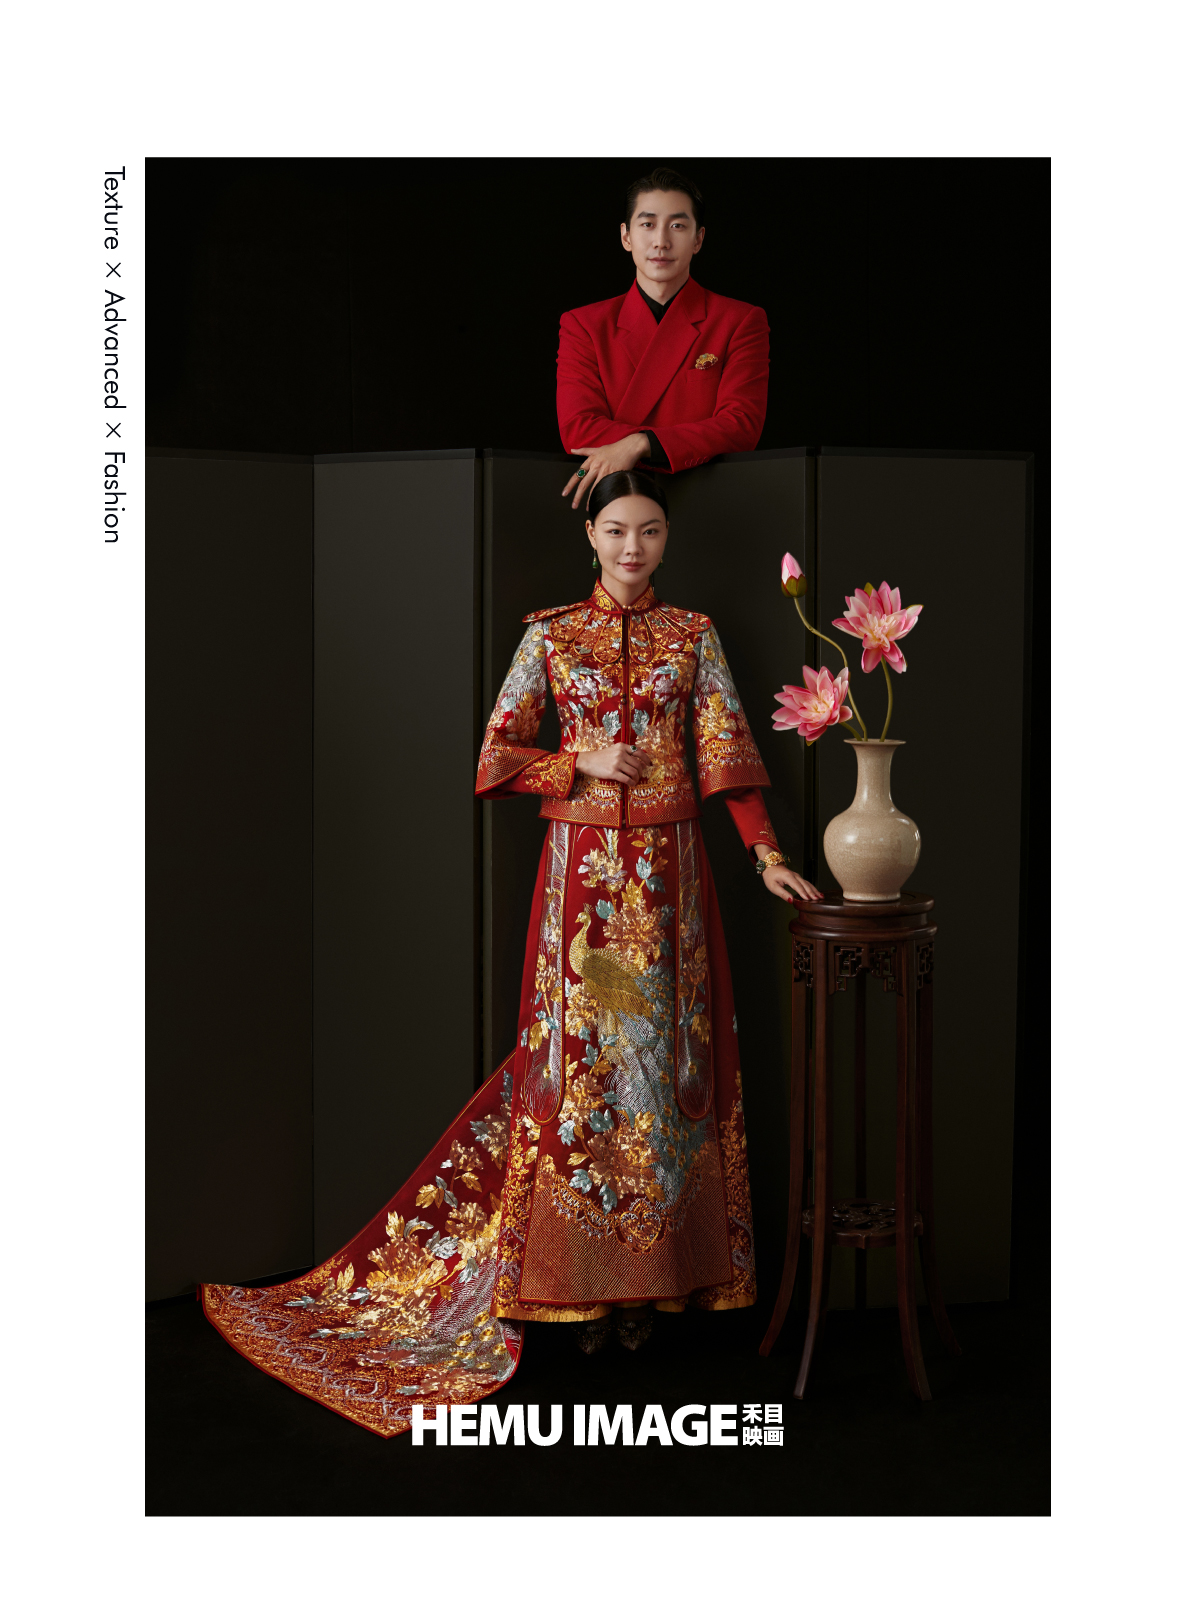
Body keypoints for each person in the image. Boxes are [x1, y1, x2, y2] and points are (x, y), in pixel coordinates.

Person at [202, 471, 819, 1435]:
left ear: (666, 538)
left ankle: (656, 1287)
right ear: (590, 535)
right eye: (616, 530)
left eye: (650, 531)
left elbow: (727, 759)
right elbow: (493, 758)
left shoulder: (692, 636)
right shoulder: (550, 637)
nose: (633, 548)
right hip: (579, 888)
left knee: (666, 1078)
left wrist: (768, 857)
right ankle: (579, 1290)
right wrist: (580, 762)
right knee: (580, 1076)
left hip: (673, 887)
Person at [558, 167, 770, 511]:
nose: (661, 241)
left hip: (712, 502)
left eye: (677, 226)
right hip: (614, 503)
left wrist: (639, 445)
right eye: (647, 224)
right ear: (626, 236)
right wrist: (665, 443)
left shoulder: (739, 321)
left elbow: (740, 426)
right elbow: (578, 429)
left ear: (698, 239)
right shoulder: (584, 324)